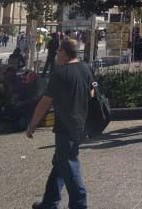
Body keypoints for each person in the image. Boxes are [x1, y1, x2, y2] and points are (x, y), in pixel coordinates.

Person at [27, 39, 94, 209]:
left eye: (57, 51)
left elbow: (45, 102)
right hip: (82, 123)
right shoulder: (86, 68)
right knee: (60, 162)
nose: (56, 54)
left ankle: (79, 204)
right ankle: (49, 202)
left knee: (69, 164)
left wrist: (33, 124)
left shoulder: (60, 73)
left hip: (66, 125)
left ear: (64, 52)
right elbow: (92, 93)